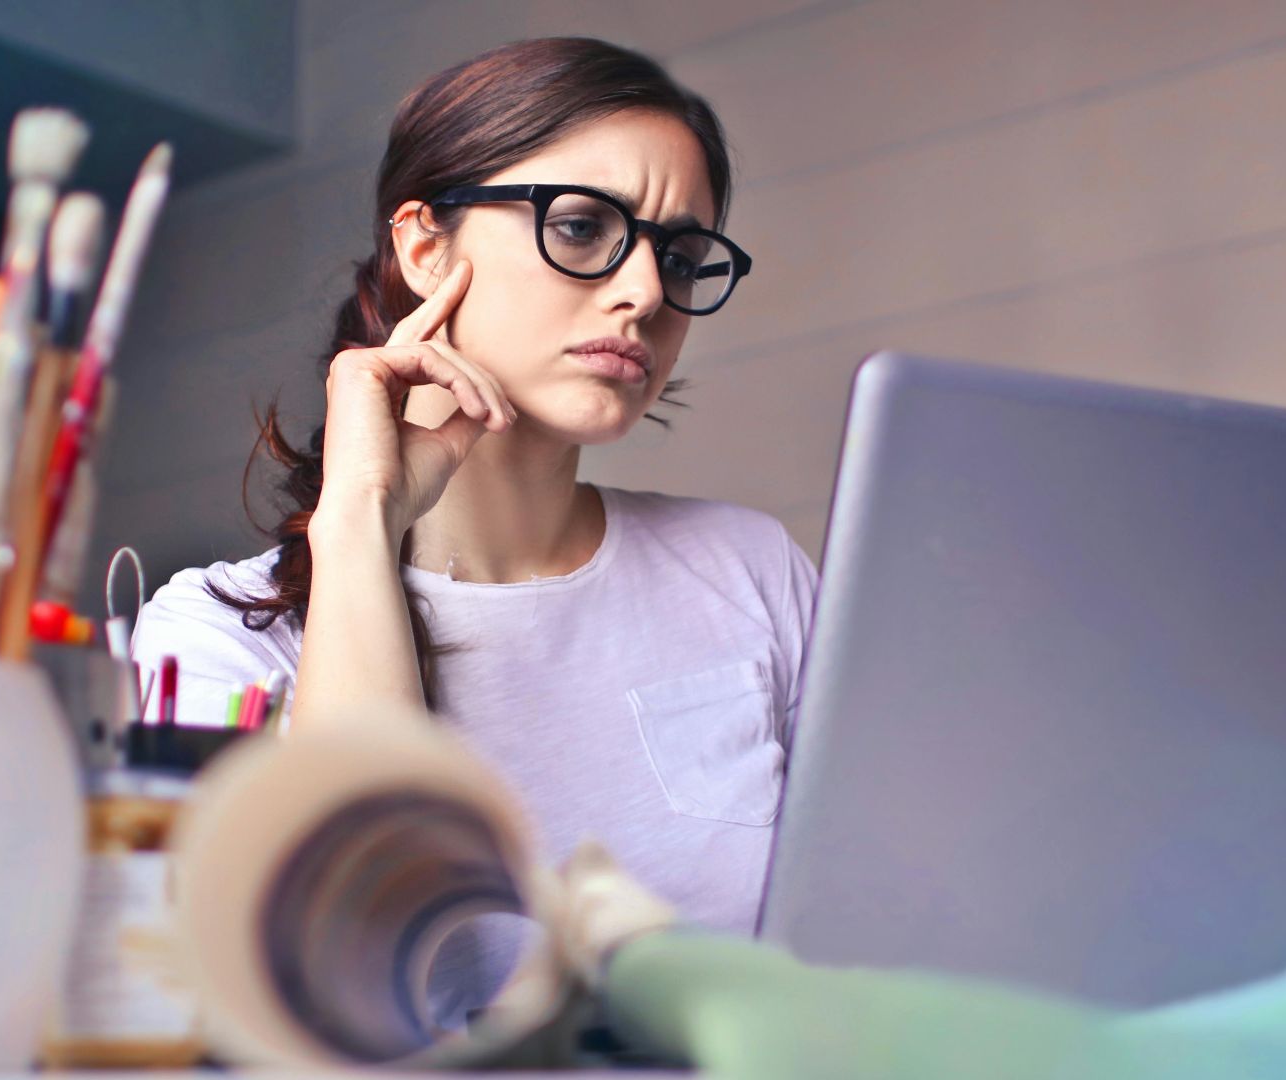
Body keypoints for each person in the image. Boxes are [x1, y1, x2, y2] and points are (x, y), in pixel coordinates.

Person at [131, 36, 818, 1020]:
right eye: (582, 227)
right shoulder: (211, 637)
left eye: (680, 255)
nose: (646, 294)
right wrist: (362, 520)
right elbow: (341, 981)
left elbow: (871, 941)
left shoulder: (749, 571)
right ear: (423, 246)